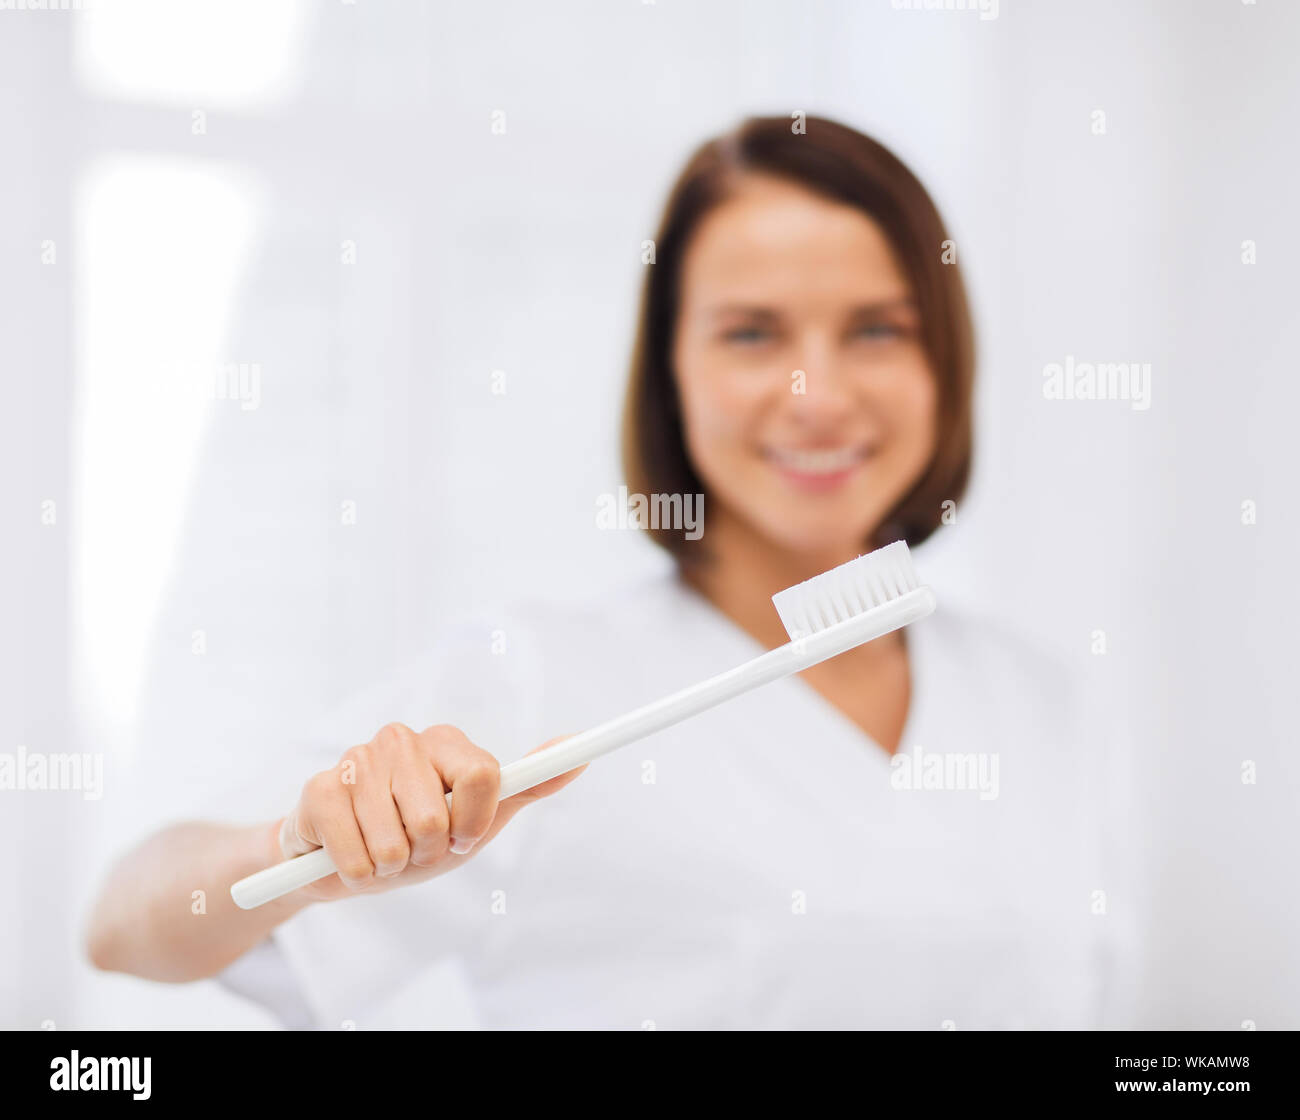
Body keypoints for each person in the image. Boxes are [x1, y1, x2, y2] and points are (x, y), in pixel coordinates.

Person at [85, 115, 1138, 1029]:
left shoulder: (1041, 702)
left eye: (876, 328)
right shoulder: (532, 685)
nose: (817, 394)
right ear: (670, 369)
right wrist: (300, 834)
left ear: (943, 359)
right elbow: (124, 925)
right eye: (751, 332)